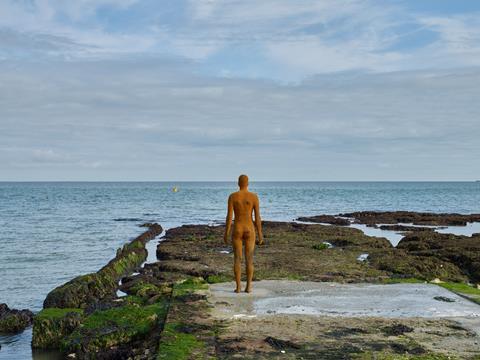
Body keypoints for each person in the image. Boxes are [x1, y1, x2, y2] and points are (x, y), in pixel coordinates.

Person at [224, 174, 263, 293]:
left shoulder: (233, 197)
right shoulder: (254, 197)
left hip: (237, 229)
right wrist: (260, 234)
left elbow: (229, 217)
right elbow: (257, 218)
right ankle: (249, 287)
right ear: (248, 183)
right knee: (249, 259)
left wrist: (226, 233)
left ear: (238, 183)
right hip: (249, 229)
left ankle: (238, 287)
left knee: (237, 259)